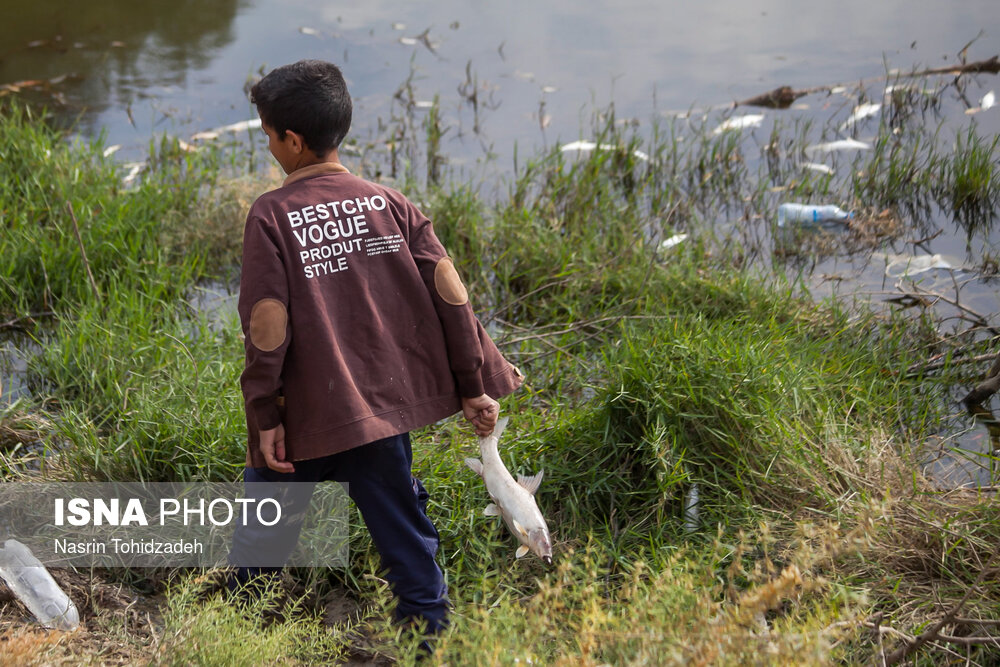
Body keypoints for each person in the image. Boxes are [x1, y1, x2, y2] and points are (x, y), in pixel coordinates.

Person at [226, 59, 523, 641]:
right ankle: (428, 643)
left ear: (292, 139)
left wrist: (264, 416)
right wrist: (474, 385)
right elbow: (452, 299)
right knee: (406, 539)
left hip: (302, 421)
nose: (268, 146)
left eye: (267, 135)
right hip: (380, 421)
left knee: (261, 540)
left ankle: (236, 638)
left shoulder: (271, 215)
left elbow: (267, 328)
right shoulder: (391, 203)